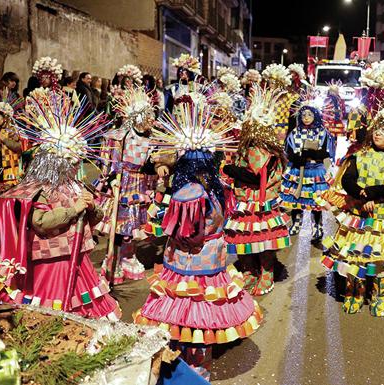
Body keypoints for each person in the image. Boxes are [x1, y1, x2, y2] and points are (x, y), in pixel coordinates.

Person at [134, 100, 262, 381]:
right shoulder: (219, 186)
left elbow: (179, 231)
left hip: (189, 259)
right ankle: (200, 356)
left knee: (188, 310)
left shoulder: (188, 193)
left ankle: (190, 362)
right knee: (206, 308)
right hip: (214, 255)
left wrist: (161, 202)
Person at [0, 89, 120, 319]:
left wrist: (92, 208)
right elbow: (40, 223)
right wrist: (72, 210)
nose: (77, 167)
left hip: (77, 262)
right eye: (73, 163)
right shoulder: (40, 189)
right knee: (48, 310)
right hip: (50, 265)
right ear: (56, 162)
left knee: (84, 308)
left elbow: (93, 221)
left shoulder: (75, 185)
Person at [322, 101, 384, 317]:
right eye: (377, 130)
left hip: (383, 220)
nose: (378, 134)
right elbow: (348, 179)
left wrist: (373, 193)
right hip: (358, 217)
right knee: (354, 258)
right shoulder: (360, 155)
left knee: (380, 261)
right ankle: (354, 293)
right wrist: (360, 194)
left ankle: (379, 296)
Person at [223, 85, 291, 296]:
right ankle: (250, 270)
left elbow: (254, 175)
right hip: (245, 199)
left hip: (259, 201)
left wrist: (228, 169)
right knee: (245, 237)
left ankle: (266, 273)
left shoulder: (261, 148)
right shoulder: (251, 144)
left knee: (262, 239)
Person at [100, 85, 158, 284]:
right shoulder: (120, 136)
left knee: (134, 226)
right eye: (148, 116)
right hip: (122, 182)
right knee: (118, 226)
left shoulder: (152, 139)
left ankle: (128, 256)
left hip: (140, 183)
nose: (152, 120)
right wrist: (111, 178)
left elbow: (151, 164)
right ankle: (112, 260)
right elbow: (110, 161)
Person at [280, 102, 333, 238]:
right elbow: (289, 151)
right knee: (297, 199)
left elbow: (326, 152)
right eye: (303, 115)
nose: (306, 117)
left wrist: (313, 154)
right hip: (298, 169)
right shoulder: (295, 132)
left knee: (316, 200)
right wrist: (297, 157)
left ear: (315, 115)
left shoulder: (322, 132)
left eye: (309, 115)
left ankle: (317, 226)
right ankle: (296, 223)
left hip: (315, 170)